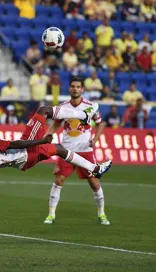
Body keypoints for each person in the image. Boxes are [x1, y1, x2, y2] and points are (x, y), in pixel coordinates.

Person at [0, 104, 112, 178]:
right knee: (44, 110)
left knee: (59, 148)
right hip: (25, 151)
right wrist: (40, 141)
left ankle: (95, 169)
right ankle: (83, 116)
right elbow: (13, 145)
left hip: (22, 163)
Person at [42, 77, 110, 226]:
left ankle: (102, 214)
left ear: (82, 89)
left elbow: (100, 124)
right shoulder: (63, 107)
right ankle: (51, 215)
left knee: (94, 182)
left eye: (78, 87)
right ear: (69, 89)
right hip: (66, 150)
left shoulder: (90, 106)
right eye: (72, 86)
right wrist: (48, 135)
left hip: (85, 150)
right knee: (59, 180)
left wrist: (96, 139)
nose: (75, 89)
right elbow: (56, 124)